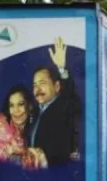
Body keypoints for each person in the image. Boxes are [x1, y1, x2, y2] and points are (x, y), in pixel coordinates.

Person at [29, 37, 81, 165]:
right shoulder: (35, 112)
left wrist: (62, 69)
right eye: (35, 85)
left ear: (56, 86)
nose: (37, 89)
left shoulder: (64, 107)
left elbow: (72, 99)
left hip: (55, 176)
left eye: (42, 83)